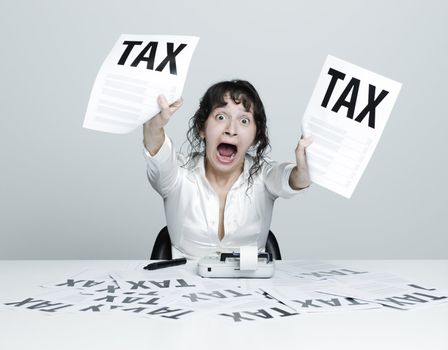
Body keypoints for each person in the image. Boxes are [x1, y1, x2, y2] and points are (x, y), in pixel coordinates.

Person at [143, 80, 312, 259]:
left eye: (244, 120)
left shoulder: (264, 174)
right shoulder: (178, 175)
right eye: (221, 117)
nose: (231, 130)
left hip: (251, 284)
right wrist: (154, 126)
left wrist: (304, 172)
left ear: (255, 137)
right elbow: (159, 156)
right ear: (202, 128)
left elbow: (290, 179)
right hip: (184, 284)